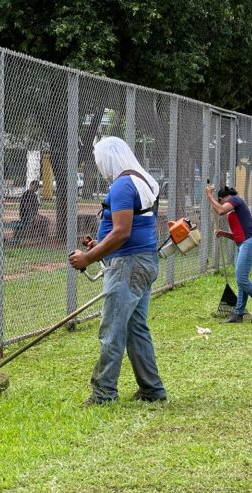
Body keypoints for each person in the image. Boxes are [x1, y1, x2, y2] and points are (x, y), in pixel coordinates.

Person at [68, 136, 167, 405]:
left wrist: (88, 257)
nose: (98, 164)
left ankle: (103, 394)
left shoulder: (123, 184)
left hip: (127, 265)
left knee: (112, 329)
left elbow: (122, 232)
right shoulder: (142, 180)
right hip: (143, 261)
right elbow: (134, 226)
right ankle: (152, 390)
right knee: (136, 329)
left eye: (99, 158)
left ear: (108, 157)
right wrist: (100, 245)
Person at [205, 184, 252, 323]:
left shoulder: (235, 200)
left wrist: (209, 196)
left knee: (242, 279)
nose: (222, 204)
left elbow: (221, 210)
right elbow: (238, 234)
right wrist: (224, 234)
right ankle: (238, 314)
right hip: (243, 243)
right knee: (241, 280)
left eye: (221, 201)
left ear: (222, 198)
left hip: (250, 243)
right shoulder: (235, 207)